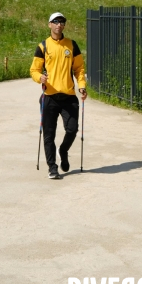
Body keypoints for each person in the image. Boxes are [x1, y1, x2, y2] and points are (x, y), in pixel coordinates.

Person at [30, 12, 87, 179]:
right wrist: (39, 77)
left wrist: (82, 86)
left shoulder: (72, 45)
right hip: (49, 97)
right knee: (49, 134)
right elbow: (34, 70)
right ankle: (52, 167)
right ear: (49, 24)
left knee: (72, 129)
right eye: (55, 22)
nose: (59, 25)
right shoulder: (43, 46)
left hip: (69, 96)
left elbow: (79, 69)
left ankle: (63, 150)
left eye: (62, 22)